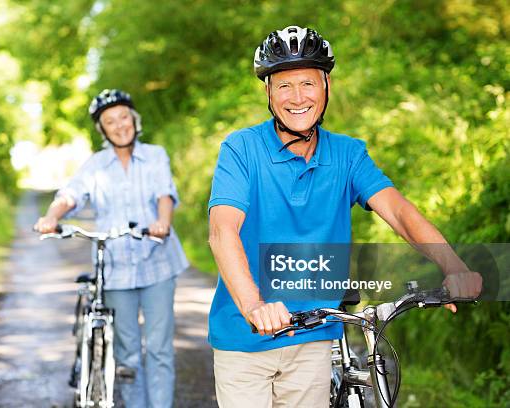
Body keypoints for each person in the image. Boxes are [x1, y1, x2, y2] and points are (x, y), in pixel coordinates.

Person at [207, 26, 482, 407]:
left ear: (326, 87)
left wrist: (453, 265)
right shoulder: (242, 149)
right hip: (244, 336)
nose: (297, 97)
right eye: (284, 85)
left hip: (314, 337)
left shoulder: (348, 154)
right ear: (268, 92)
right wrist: (255, 306)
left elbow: (400, 213)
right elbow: (223, 231)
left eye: (308, 83)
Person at [34, 89, 189, 408]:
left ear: (134, 119)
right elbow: (72, 194)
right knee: (127, 351)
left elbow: (164, 193)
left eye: (124, 117)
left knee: (159, 348)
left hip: (158, 261)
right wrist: (51, 216)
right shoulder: (95, 165)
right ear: (102, 129)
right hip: (115, 268)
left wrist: (162, 221)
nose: (120, 125)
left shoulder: (155, 155)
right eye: (110, 121)